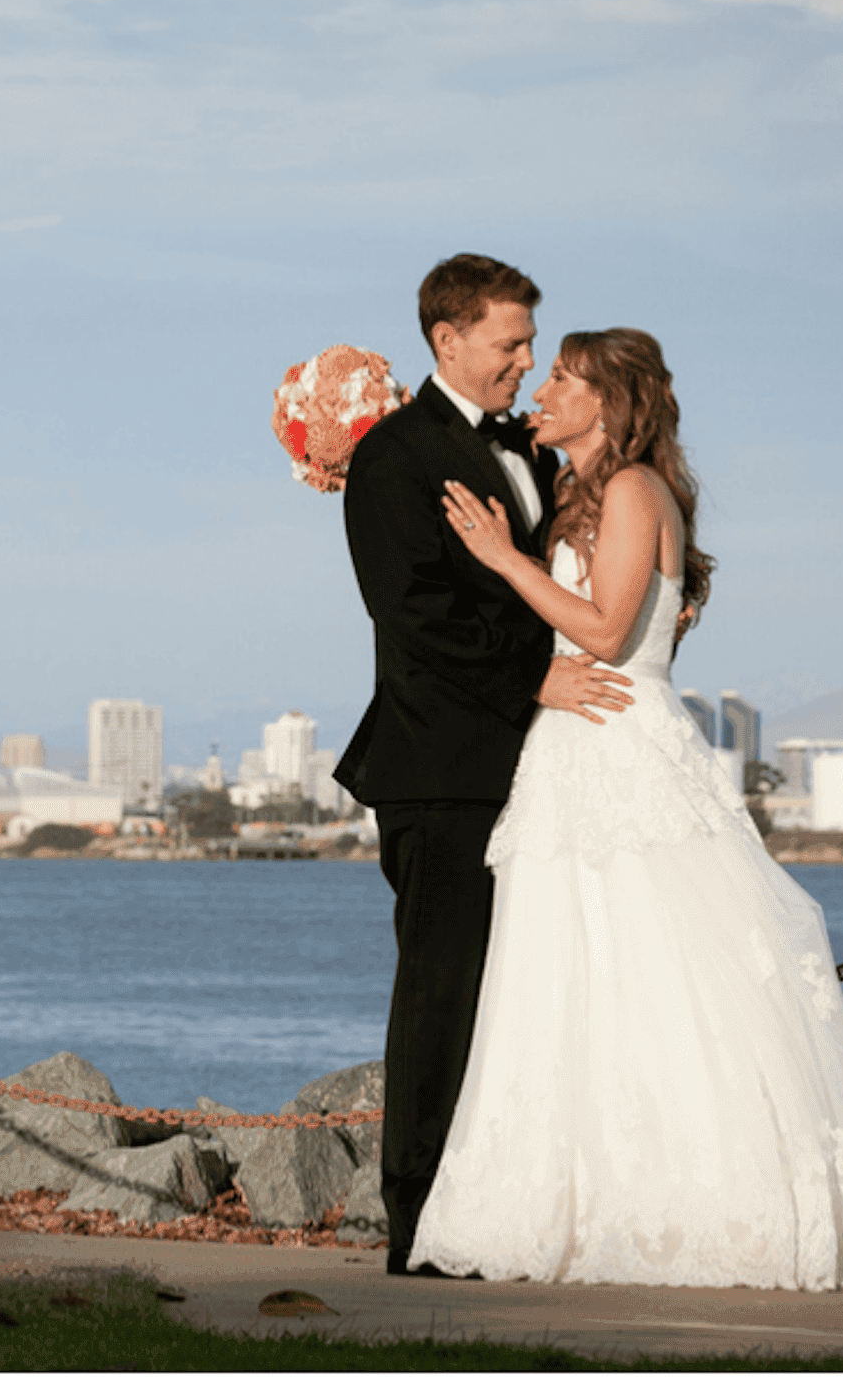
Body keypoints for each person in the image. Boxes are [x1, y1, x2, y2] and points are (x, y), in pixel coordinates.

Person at [416, 327, 843, 1289]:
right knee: (573, 981)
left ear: (611, 401)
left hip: (628, 753)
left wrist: (506, 559)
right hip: (570, 756)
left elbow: (600, 626)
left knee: (663, 975)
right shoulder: (572, 495)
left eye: (565, 376)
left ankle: (712, 1205)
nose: (544, 385)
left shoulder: (635, 491)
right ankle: (586, 1206)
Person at [333, 254, 635, 1276]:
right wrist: (533, 682)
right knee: (444, 993)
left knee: (533, 992)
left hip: (543, 771)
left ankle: (511, 1211)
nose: (524, 363)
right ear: (446, 339)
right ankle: (417, 1225)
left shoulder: (530, 447)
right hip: (441, 769)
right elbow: (415, 618)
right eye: (509, 345)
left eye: (528, 345)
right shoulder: (393, 458)